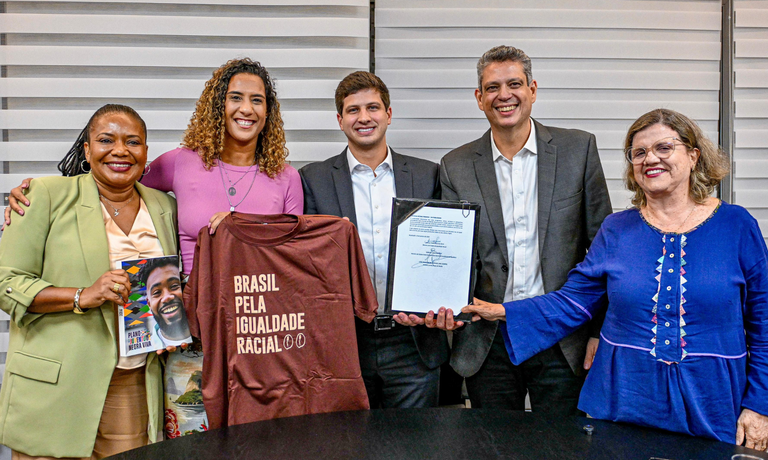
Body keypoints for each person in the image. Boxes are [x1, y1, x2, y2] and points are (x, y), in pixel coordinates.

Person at [5, 58, 304, 436]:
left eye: (257, 100)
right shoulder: (182, 163)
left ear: (268, 112)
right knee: (192, 441)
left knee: (260, 438)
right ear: (218, 105)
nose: (246, 108)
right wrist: (37, 195)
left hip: (258, 329)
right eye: (235, 97)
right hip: (189, 333)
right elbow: (114, 177)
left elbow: (293, 258)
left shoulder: (287, 178)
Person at [463, 108, 768, 449]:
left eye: (663, 148)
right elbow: (574, 301)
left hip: (712, 402)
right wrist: (503, 312)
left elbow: (764, 323)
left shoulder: (737, 226)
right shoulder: (617, 228)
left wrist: (759, 405)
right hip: (626, 400)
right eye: (638, 153)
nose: (650, 158)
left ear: (694, 155)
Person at [411, 45, 612, 413]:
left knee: (561, 449)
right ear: (479, 98)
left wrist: (600, 330)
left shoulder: (577, 150)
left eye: (514, 84)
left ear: (532, 90)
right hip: (488, 342)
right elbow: (453, 256)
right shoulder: (455, 166)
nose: (504, 95)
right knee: (494, 447)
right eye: (492, 87)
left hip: (561, 334)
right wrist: (436, 302)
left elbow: (602, 252)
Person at [0, 104, 178, 459]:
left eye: (133, 142)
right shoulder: (47, 196)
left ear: (146, 151)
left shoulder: (164, 206)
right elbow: (7, 282)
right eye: (106, 140)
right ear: (86, 148)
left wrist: (171, 324)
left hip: (132, 383)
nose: (120, 151)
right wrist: (83, 295)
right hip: (58, 383)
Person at [299, 71, 449, 408]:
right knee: (350, 446)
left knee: (414, 450)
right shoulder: (314, 179)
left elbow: (442, 253)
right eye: (353, 110)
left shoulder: (428, 175)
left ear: (389, 114)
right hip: (346, 343)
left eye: (373, 107)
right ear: (340, 120)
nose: (364, 118)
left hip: (414, 341)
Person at [140, 257, 191, 347]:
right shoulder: (146, 350)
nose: (167, 297)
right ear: (149, 303)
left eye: (174, 286)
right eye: (156, 292)